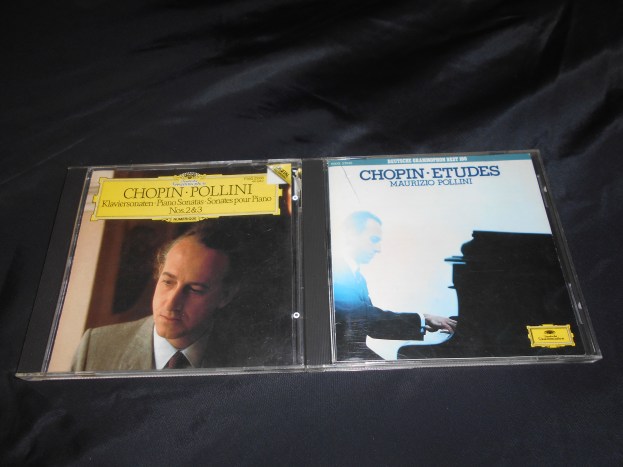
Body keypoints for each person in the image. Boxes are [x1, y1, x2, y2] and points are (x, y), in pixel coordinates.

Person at [71, 221, 242, 371]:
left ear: (225, 296)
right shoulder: (94, 347)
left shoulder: (244, 355)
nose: (171, 303)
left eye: (194, 289)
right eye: (168, 282)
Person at [332, 211, 456, 360]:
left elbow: (369, 323)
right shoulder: (336, 274)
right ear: (351, 235)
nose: (378, 249)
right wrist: (422, 319)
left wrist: (422, 322)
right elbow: (365, 319)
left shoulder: (358, 277)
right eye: (374, 240)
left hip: (351, 356)